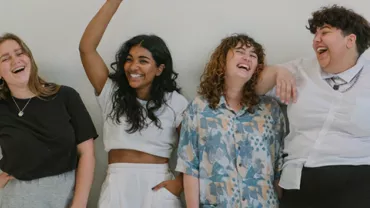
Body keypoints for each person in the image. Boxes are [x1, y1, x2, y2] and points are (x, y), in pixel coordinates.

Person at [256, 4, 370, 208]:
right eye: (315, 34)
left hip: (358, 178)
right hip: (299, 178)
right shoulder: (300, 69)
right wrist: (276, 71)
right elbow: (251, 88)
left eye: (324, 32)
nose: (316, 40)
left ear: (350, 40)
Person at [79, 0, 188, 207]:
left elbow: (193, 150)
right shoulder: (111, 93)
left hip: (158, 185)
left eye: (143, 61)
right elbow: (86, 48)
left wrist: (179, 183)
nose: (133, 66)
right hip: (117, 182)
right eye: (129, 59)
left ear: (159, 69)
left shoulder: (176, 102)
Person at [176, 34, 286, 208]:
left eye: (253, 55)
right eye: (240, 51)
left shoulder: (270, 110)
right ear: (222, 61)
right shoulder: (199, 108)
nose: (247, 58)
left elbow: (280, 167)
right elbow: (189, 166)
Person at [0, 33, 98, 208]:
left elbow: (87, 154)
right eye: (5, 59)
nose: (16, 61)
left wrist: (79, 204)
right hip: (15, 199)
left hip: (64, 198)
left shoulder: (65, 96)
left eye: (20, 53)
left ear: (29, 57)